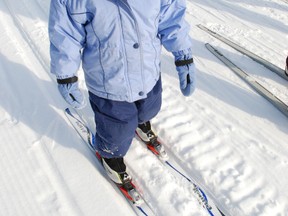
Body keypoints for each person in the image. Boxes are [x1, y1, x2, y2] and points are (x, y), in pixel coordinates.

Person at [49, 0, 195, 185]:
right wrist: (66, 76)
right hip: (109, 83)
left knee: (150, 108)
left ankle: (141, 122)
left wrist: (184, 57)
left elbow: (172, 18)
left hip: (148, 74)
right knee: (116, 131)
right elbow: (66, 37)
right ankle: (111, 156)